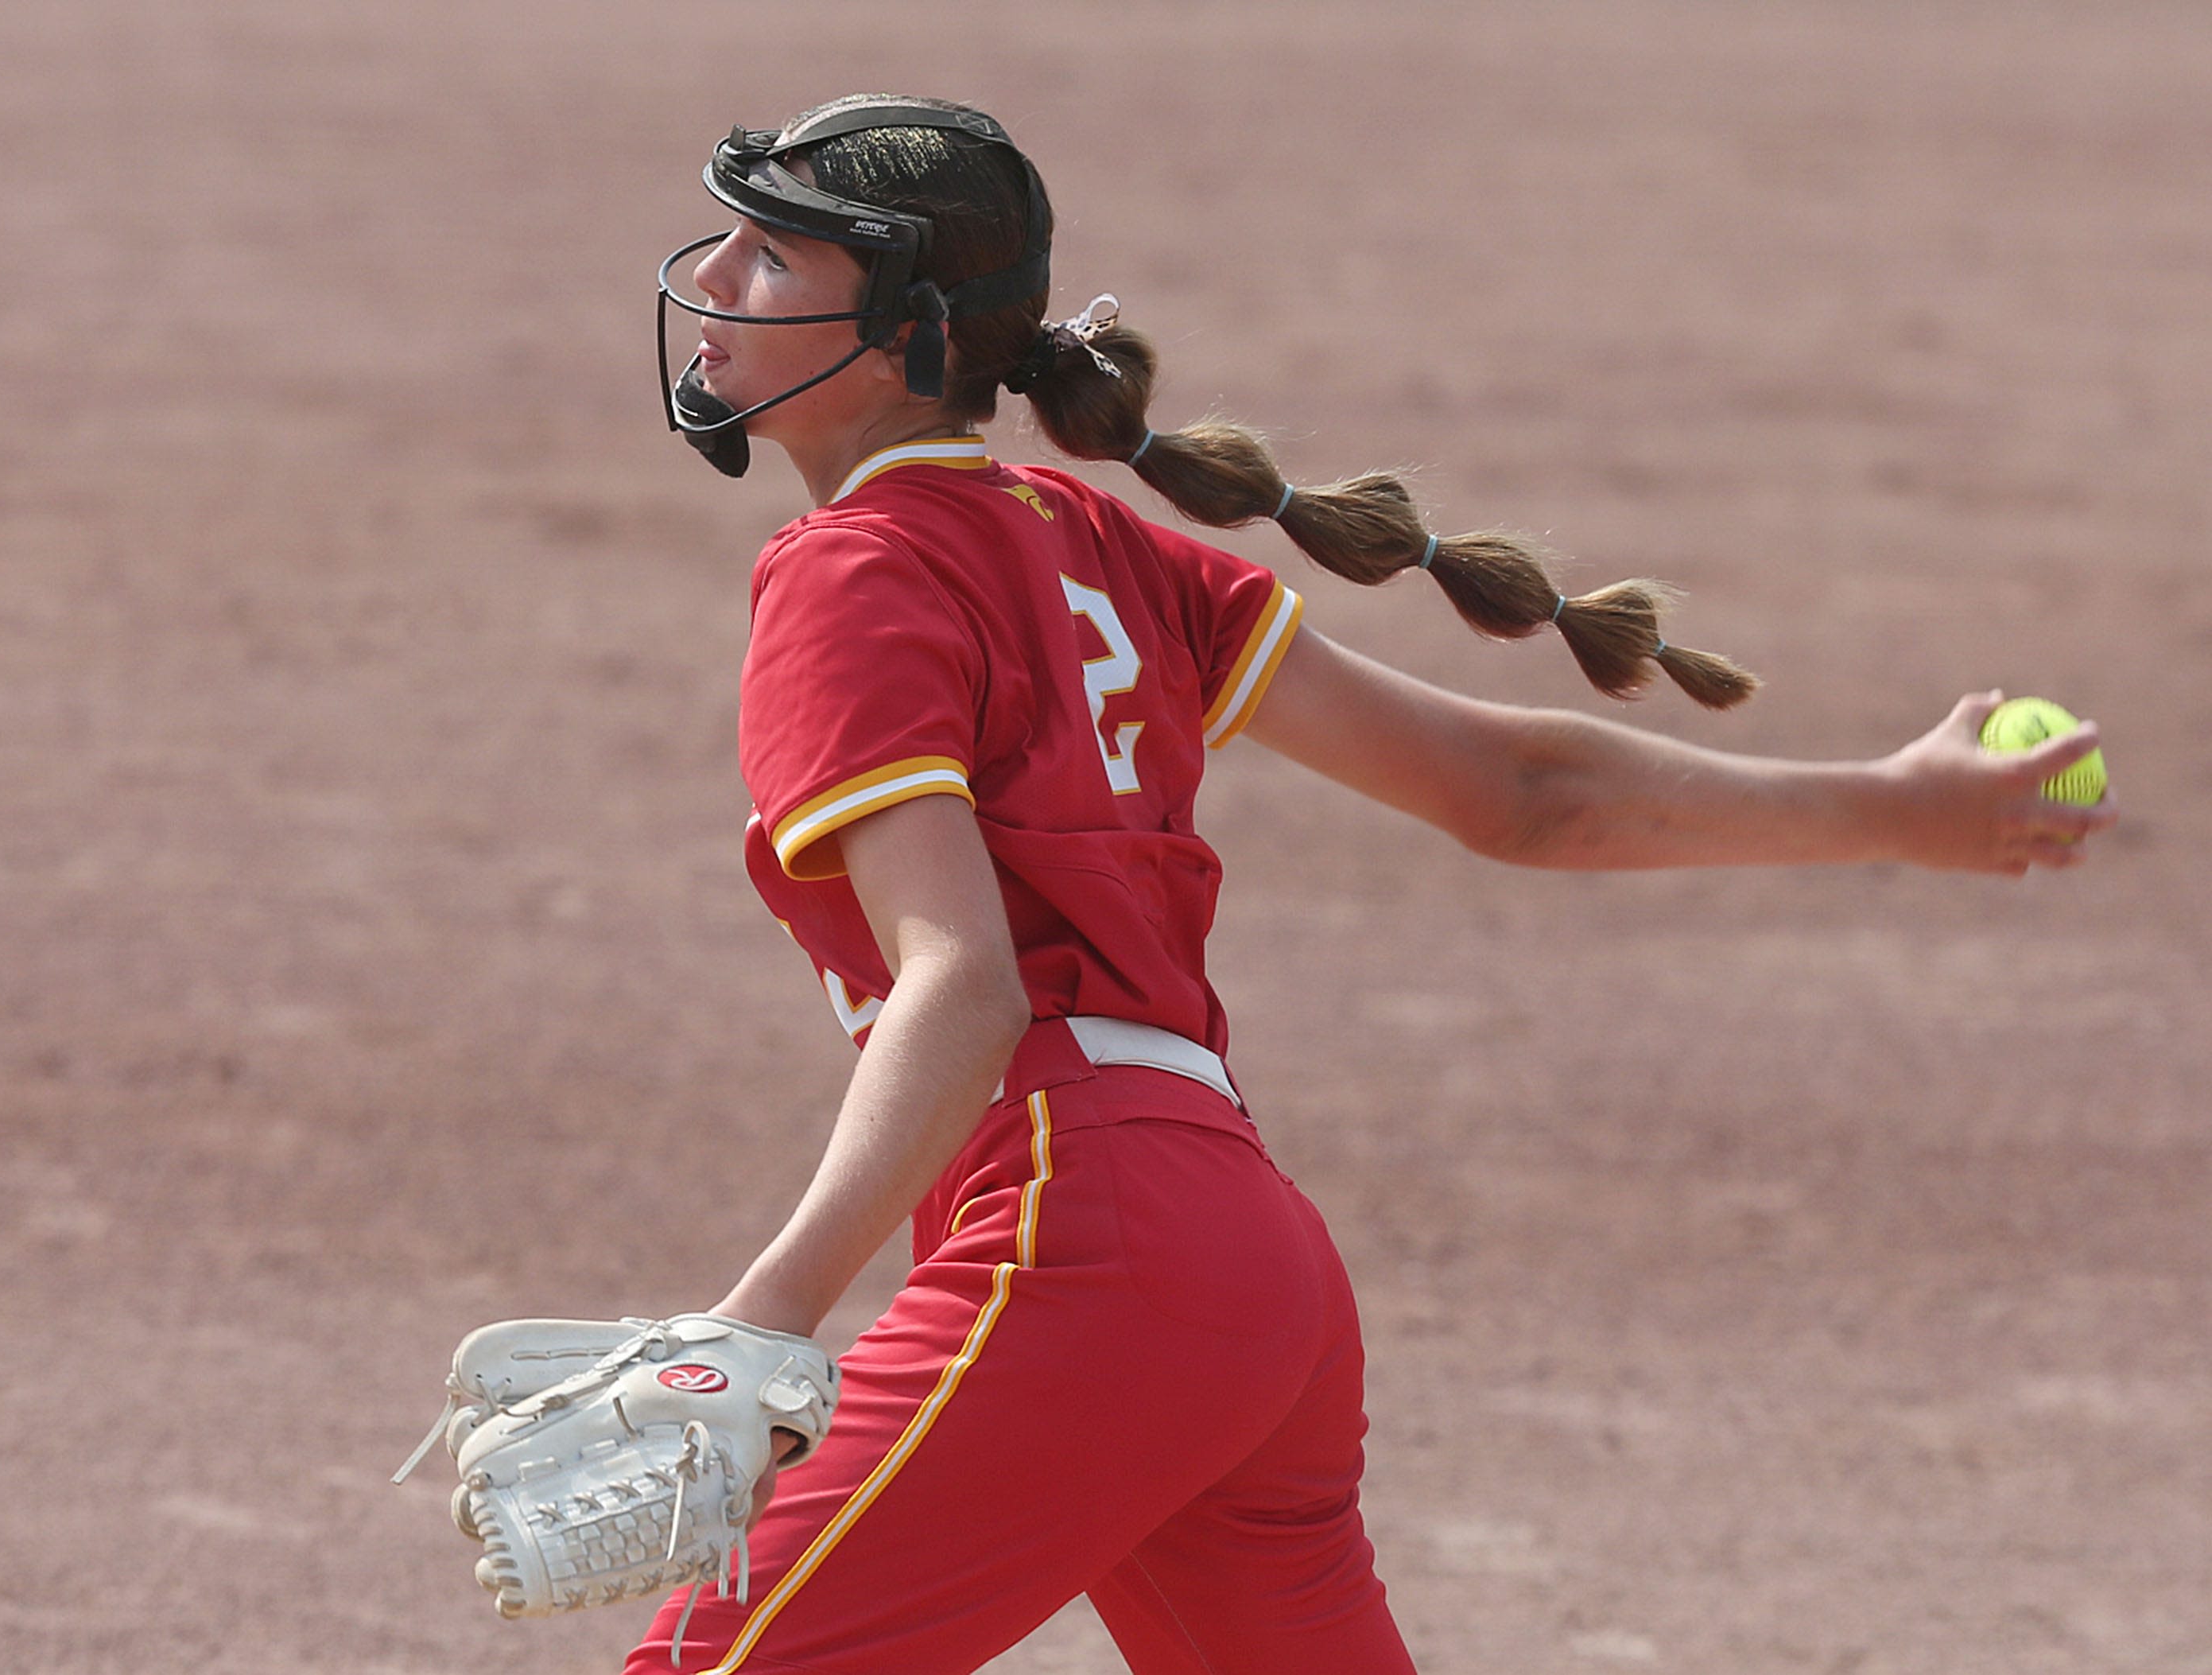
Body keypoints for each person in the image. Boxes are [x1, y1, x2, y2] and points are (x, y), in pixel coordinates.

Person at [629, 95, 2113, 1675]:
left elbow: (966, 985)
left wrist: (761, 1316)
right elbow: (1523, 796)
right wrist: (1898, 809)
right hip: (1244, 1266)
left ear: (915, 333)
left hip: (1080, 1239)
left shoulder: (851, 573)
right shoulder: (1106, 548)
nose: (717, 274)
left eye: (776, 253)